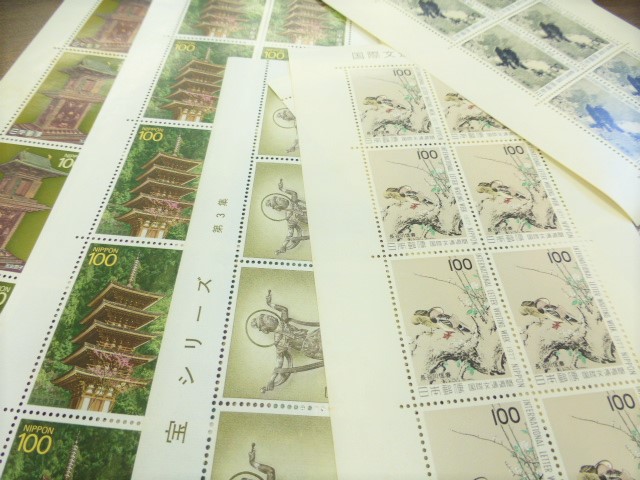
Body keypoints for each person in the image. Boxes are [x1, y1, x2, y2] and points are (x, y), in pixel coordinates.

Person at [250, 290, 323, 393]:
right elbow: (279, 363)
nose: (269, 317)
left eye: (267, 316)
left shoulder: (282, 322)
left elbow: (284, 309)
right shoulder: (279, 342)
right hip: (312, 349)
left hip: (312, 336)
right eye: (265, 320)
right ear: (265, 329)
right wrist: (272, 381)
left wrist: (270, 304)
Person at [264, 179, 309, 254]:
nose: (282, 198)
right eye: (278, 200)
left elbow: (293, 193)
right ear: (278, 206)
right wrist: (283, 246)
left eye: (280, 197)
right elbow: (289, 234)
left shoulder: (293, 201)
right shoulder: (289, 218)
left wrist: (282, 189)